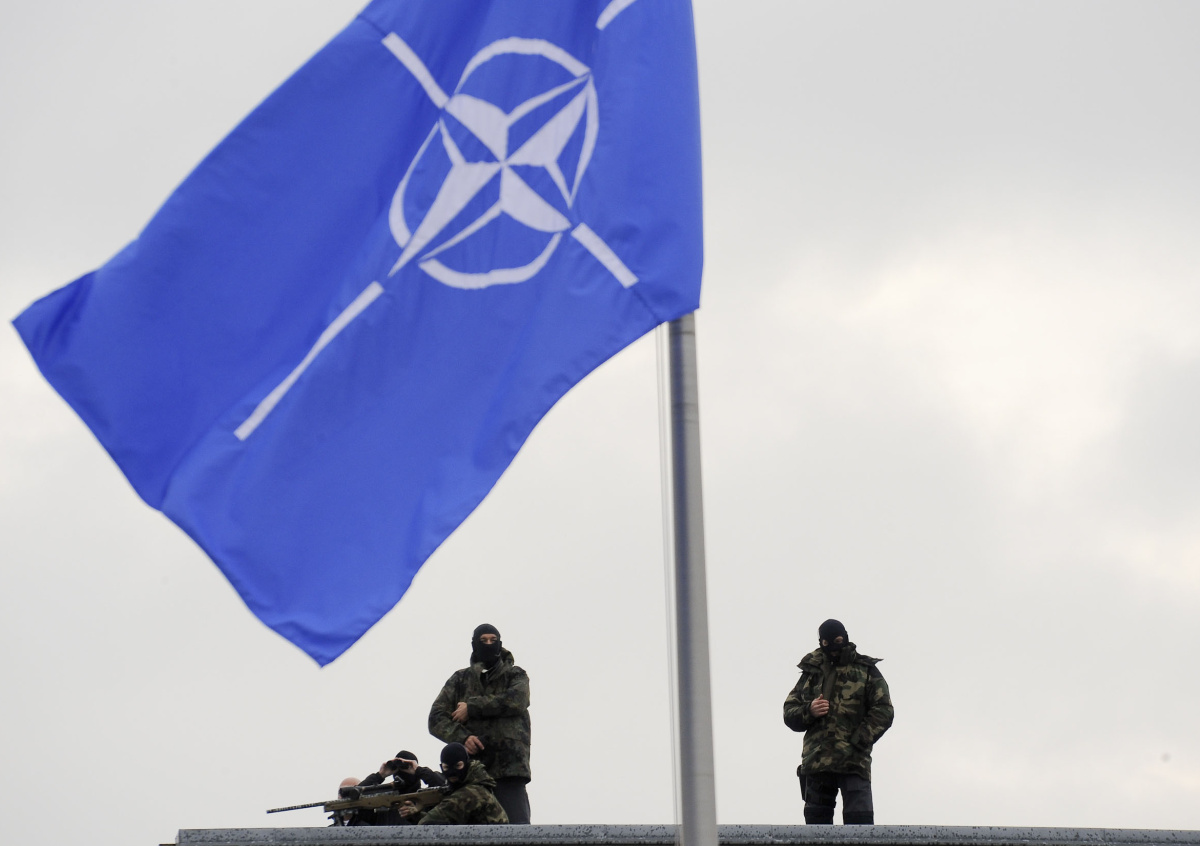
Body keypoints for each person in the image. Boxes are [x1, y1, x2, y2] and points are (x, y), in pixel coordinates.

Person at [783, 619, 894, 825]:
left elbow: (884, 709)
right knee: (816, 831)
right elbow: (789, 712)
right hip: (817, 763)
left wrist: (860, 740)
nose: (833, 648)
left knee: (860, 828)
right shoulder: (811, 672)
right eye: (826, 643)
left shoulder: (865, 670)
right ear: (821, 642)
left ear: (845, 638)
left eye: (838, 641)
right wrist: (809, 711)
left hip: (854, 762)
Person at [429, 624, 531, 824]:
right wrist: (463, 738)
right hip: (470, 774)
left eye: (493, 640)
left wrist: (472, 707)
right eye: (483, 641)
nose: (488, 644)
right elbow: (436, 718)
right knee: (470, 832)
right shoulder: (460, 680)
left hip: (509, 770)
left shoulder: (515, 675)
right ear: (475, 644)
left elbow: (517, 700)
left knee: (516, 831)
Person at [399, 743, 509, 825]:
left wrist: (420, 771)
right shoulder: (471, 789)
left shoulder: (472, 793)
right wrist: (415, 815)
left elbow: (428, 824)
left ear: (466, 764)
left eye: (458, 766)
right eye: (446, 767)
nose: (452, 772)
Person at [333, 750, 447, 826]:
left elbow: (448, 789)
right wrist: (380, 775)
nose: (402, 772)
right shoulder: (384, 805)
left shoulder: (427, 799)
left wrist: (419, 770)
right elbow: (353, 799)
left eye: (406, 767)